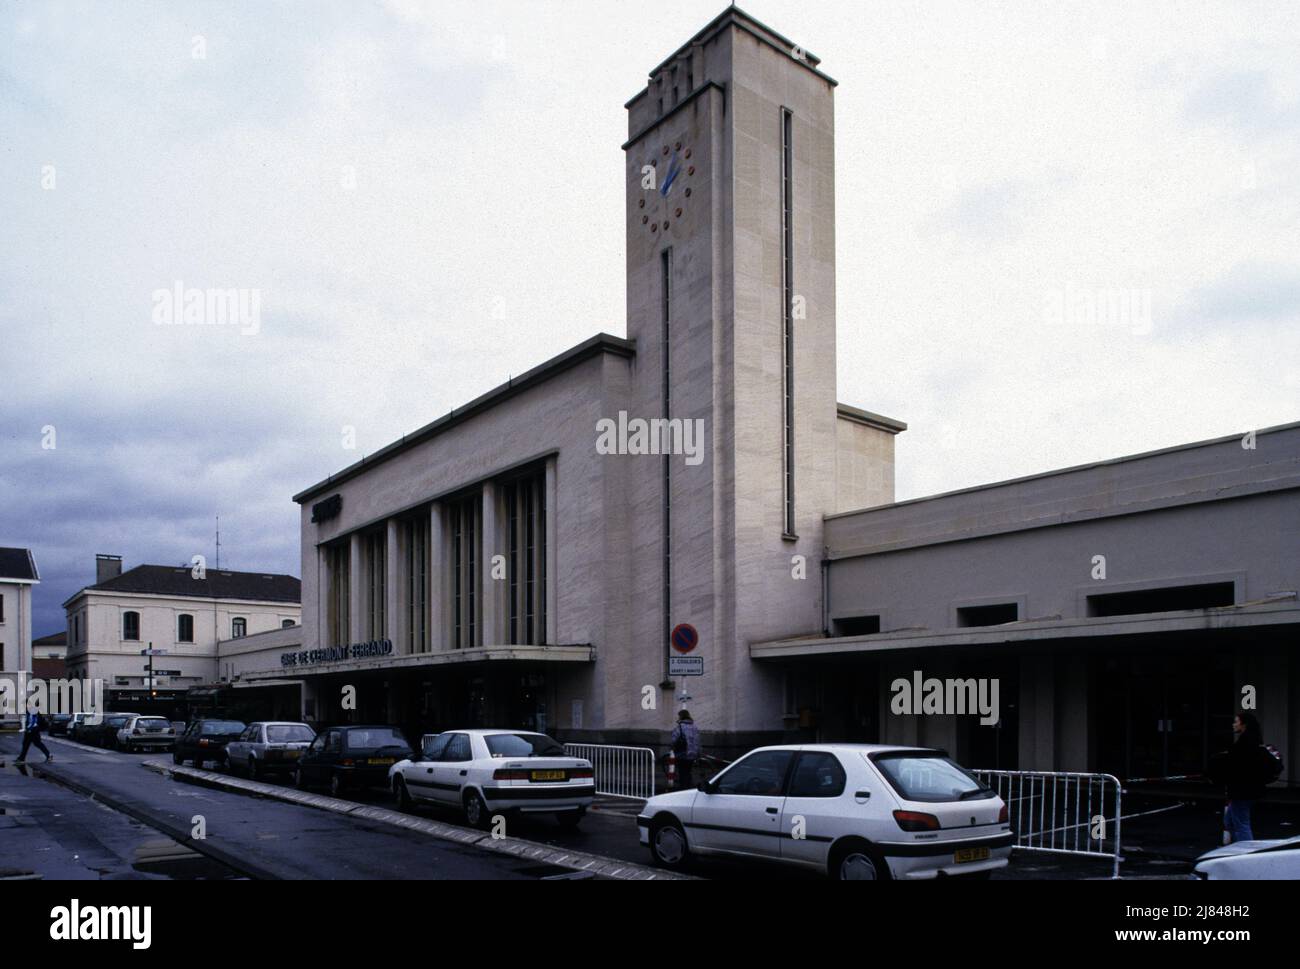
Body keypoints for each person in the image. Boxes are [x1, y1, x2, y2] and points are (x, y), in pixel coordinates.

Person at [1208, 712, 1275, 843]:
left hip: (1242, 790)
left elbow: (1234, 767)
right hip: (1248, 789)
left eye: (1236, 722)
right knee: (1230, 821)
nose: (1233, 724)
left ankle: (1246, 852)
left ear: (1244, 725)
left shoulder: (1244, 745)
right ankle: (1239, 847)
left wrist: (1215, 774)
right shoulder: (1253, 742)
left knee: (1241, 823)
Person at [669, 709, 700, 789]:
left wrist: (671, 747)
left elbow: (673, 740)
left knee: (682, 772)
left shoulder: (679, 727)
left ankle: (683, 788)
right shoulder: (695, 727)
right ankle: (689, 787)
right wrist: (698, 753)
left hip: (682, 753)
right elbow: (698, 741)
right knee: (688, 771)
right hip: (692, 754)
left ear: (680, 716)